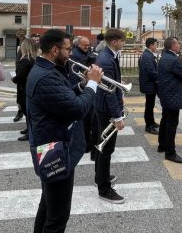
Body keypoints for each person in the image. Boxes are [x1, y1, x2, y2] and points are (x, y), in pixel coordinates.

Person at [26, 29, 102, 233]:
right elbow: (77, 109)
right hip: (54, 150)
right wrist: (93, 84)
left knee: (48, 208)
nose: (70, 54)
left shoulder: (47, 70)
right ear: (54, 50)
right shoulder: (46, 76)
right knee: (58, 217)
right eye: (68, 49)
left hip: (51, 145)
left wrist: (83, 84)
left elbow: (65, 97)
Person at [95, 28, 126, 203]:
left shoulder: (108, 55)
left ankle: (100, 176)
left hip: (102, 107)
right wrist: (118, 116)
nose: (124, 43)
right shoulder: (107, 59)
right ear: (114, 41)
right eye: (122, 40)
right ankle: (104, 188)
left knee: (102, 145)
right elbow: (109, 92)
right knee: (106, 148)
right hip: (106, 109)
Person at [157, 37, 182, 163]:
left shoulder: (163, 58)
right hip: (173, 95)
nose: (179, 46)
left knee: (165, 120)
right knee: (172, 124)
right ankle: (170, 153)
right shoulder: (174, 60)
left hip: (166, 94)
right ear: (172, 46)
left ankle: (162, 145)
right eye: (178, 44)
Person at [12, 38, 36, 141]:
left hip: (24, 89)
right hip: (30, 88)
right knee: (28, 111)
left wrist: (13, 78)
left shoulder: (25, 60)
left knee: (27, 111)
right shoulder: (33, 59)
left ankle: (30, 133)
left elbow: (20, 76)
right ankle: (29, 129)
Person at [139, 37, 159, 134]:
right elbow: (151, 72)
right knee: (149, 106)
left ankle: (152, 122)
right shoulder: (147, 56)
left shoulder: (148, 54)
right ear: (151, 45)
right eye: (156, 44)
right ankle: (149, 126)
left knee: (150, 105)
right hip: (149, 84)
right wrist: (159, 78)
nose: (157, 46)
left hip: (149, 84)